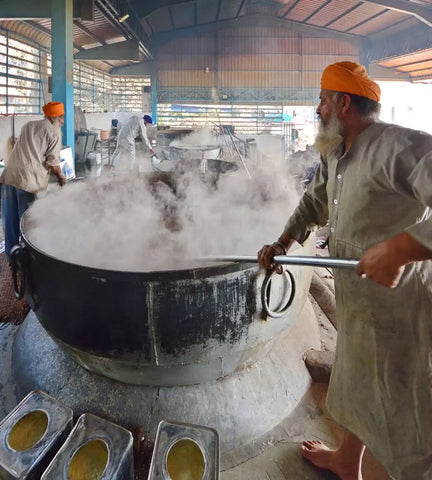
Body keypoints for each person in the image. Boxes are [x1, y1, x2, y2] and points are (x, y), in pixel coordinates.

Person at [258, 61, 432, 480]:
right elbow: (315, 201)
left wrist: (401, 248)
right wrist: (283, 242)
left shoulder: (402, 147)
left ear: (343, 103)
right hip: (358, 301)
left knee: (405, 412)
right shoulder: (338, 153)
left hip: (399, 310)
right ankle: (346, 460)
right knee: (356, 387)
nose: (316, 109)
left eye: (321, 100)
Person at [0, 101, 66, 259]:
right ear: (55, 117)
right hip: (28, 182)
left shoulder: (28, 125)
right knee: (28, 224)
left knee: (10, 220)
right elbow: (54, 164)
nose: (62, 122)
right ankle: (28, 260)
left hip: (9, 177)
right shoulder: (54, 132)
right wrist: (62, 180)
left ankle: (12, 257)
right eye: (61, 118)